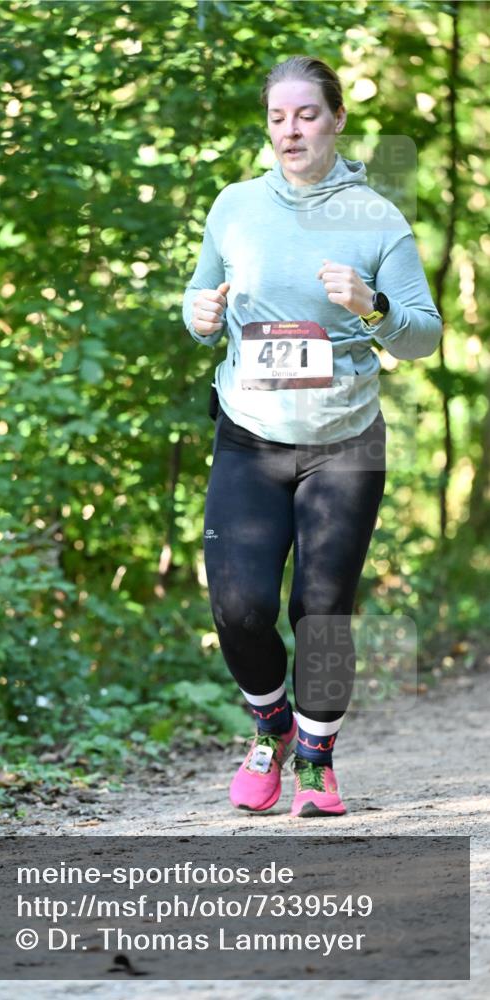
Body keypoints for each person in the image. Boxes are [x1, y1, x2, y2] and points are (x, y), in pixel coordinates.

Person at [182, 55, 442, 818]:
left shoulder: (376, 219)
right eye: (276, 117)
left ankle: (316, 760)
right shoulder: (232, 206)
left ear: (334, 120)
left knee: (321, 610)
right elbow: (204, 302)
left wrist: (373, 305)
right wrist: (197, 318)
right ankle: (269, 724)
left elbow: (421, 336)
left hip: (344, 441)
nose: (289, 130)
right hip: (248, 435)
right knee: (238, 606)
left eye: (304, 114)